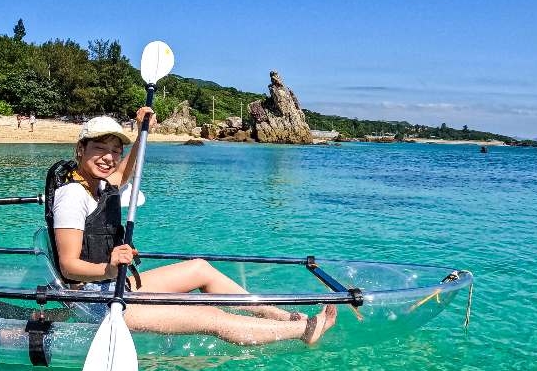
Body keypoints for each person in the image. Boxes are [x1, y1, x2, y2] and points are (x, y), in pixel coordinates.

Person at [45, 114, 334, 346]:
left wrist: (141, 133)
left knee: (200, 269)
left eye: (115, 151)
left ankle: (284, 317)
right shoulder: (72, 195)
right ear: (81, 149)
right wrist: (110, 269)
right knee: (209, 315)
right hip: (93, 301)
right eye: (99, 149)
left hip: (111, 285)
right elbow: (69, 267)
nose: (108, 158)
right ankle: (304, 330)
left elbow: (123, 173)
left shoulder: (101, 185)